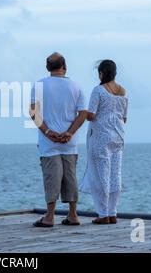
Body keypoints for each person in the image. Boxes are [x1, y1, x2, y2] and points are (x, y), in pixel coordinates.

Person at [30, 52, 87, 227]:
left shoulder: (39, 85)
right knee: (70, 177)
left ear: (48, 68)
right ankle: (73, 215)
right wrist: (69, 133)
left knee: (51, 177)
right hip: (69, 142)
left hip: (49, 142)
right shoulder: (76, 86)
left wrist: (48, 132)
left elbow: (33, 112)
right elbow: (83, 113)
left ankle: (49, 216)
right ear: (65, 66)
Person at [80, 59, 129, 225]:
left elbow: (92, 115)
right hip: (119, 137)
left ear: (102, 73)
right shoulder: (124, 92)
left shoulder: (99, 90)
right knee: (116, 175)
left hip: (101, 137)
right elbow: (124, 118)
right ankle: (113, 212)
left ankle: (103, 214)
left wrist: (80, 112)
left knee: (101, 175)